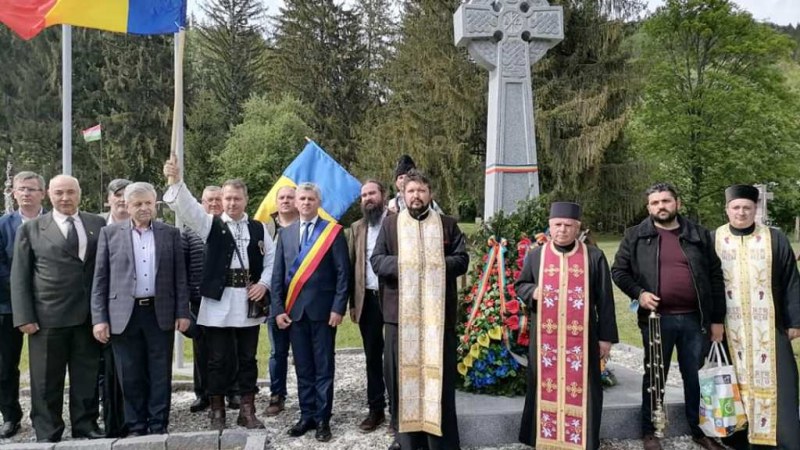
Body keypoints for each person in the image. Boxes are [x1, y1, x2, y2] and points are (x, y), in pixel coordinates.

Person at [163, 157, 275, 430]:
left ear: (246, 200)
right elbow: (189, 207)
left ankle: (247, 411)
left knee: (248, 359)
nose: (232, 203)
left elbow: (272, 261)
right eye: (228, 198)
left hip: (248, 301)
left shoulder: (259, 227)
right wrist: (176, 180)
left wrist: (263, 284)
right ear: (222, 200)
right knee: (217, 360)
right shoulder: (209, 224)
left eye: (237, 198)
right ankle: (217, 412)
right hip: (218, 301)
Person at [611, 182, 725, 450]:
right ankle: (651, 431)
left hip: (695, 319)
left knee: (696, 377)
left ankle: (700, 431)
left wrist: (717, 319)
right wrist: (639, 293)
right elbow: (619, 271)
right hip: (656, 320)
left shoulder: (698, 234)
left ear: (677, 203)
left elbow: (715, 276)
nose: (661, 206)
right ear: (648, 207)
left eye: (666, 201)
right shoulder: (635, 235)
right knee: (654, 376)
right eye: (655, 202)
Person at [371, 170, 468, 450]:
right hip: (400, 318)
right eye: (411, 191)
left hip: (439, 318)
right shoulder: (390, 225)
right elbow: (377, 261)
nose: (416, 196)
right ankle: (407, 441)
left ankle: (441, 443)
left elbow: (462, 259)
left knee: (440, 381)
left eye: (421, 191)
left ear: (430, 194)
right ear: (403, 194)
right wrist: (407, 263)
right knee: (402, 381)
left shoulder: (447, 225)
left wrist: (435, 264)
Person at [515, 202, 618, 450]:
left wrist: (605, 338)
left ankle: (582, 439)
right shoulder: (536, 256)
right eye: (558, 225)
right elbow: (521, 285)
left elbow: (605, 299)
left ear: (577, 227)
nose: (562, 229)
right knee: (542, 384)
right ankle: (544, 437)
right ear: (550, 226)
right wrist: (533, 292)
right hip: (545, 340)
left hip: (582, 339)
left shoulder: (593, 256)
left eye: (568, 225)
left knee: (586, 387)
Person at [11, 175, 106, 442]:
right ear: (49, 195)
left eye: (70, 192)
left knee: (86, 376)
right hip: (47, 318)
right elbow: (20, 276)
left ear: (79, 193)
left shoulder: (97, 224)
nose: (65, 198)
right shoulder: (31, 229)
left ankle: (85, 424)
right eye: (59, 193)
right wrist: (24, 316)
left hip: (87, 317)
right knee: (45, 380)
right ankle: (48, 430)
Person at [91, 182, 190, 435]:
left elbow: (180, 277)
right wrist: (99, 318)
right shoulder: (110, 234)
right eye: (137, 204)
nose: (144, 208)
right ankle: (135, 425)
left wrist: (182, 312)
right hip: (124, 314)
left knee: (160, 373)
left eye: (148, 203)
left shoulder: (170, 233)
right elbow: (100, 279)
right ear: (127, 205)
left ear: (155, 204)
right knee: (129, 373)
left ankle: (158, 424)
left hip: (160, 312)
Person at [715, 185, 800, 450]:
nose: (741, 212)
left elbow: (791, 279)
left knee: (783, 382)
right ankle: (739, 439)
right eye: (736, 207)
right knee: (735, 381)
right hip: (729, 328)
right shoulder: (714, 239)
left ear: (755, 209)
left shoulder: (774, 239)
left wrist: (795, 320)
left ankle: (782, 441)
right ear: (727, 209)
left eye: (747, 208)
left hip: (770, 326)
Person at [271, 183, 350, 442]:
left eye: (310, 199)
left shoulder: (332, 232)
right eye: (302, 198)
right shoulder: (285, 234)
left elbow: (343, 274)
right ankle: (307, 415)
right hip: (294, 314)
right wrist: (278, 309)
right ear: (296, 202)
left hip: (324, 313)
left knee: (324, 367)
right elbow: (277, 276)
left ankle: (323, 419)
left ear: (318, 202)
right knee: (303, 368)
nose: (305, 202)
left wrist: (338, 307)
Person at [0, 171, 45, 439]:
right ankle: (10, 416)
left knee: (46, 367)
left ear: (42, 193)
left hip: (48, 305)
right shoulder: (3, 225)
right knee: (5, 367)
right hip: (8, 306)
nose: (26, 193)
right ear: (13, 193)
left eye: (31, 189)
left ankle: (45, 417)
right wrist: (21, 294)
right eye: (21, 189)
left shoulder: (53, 223)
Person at [347, 180, 391, 432]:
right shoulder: (356, 228)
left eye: (372, 193)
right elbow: (352, 266)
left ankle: (399, 411)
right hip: (368, 300)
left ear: (383, 195)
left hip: (394, 298)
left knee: (396, 357)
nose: (368, 198)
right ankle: (376, 410)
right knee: (372, 356)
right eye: (364, 195)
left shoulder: (397, 221)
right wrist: (353, 304)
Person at [188, 185, 227, 414]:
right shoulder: (189, 232)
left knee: (229, 348)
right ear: (201, 203)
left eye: (217, 199)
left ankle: (231, 391)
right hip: (198, 300)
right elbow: (183, 268)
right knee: (201, 350)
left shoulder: (229, 229)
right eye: (209, 200)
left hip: (225, 299)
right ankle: (202, 394)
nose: (213, 204)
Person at [98, 178, 131, 438]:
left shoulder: (145, 226)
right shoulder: (96, 227)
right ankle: (110, 418)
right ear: (109, 199)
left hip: (135, 313)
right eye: (116, 195)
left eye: (125, 194)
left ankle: (132, 418)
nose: (121, 199)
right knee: (105, 370)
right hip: (103, 311)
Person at [264, 185, 299, 417]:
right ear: (276, 202)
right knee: (277, 352)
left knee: (304, 352)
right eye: (282, 197)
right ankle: (277, 395)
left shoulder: (306, 227)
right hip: (275, 300)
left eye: (290, 197)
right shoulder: (266, 229)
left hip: (302, 300)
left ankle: (309, 396)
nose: (285, 201)